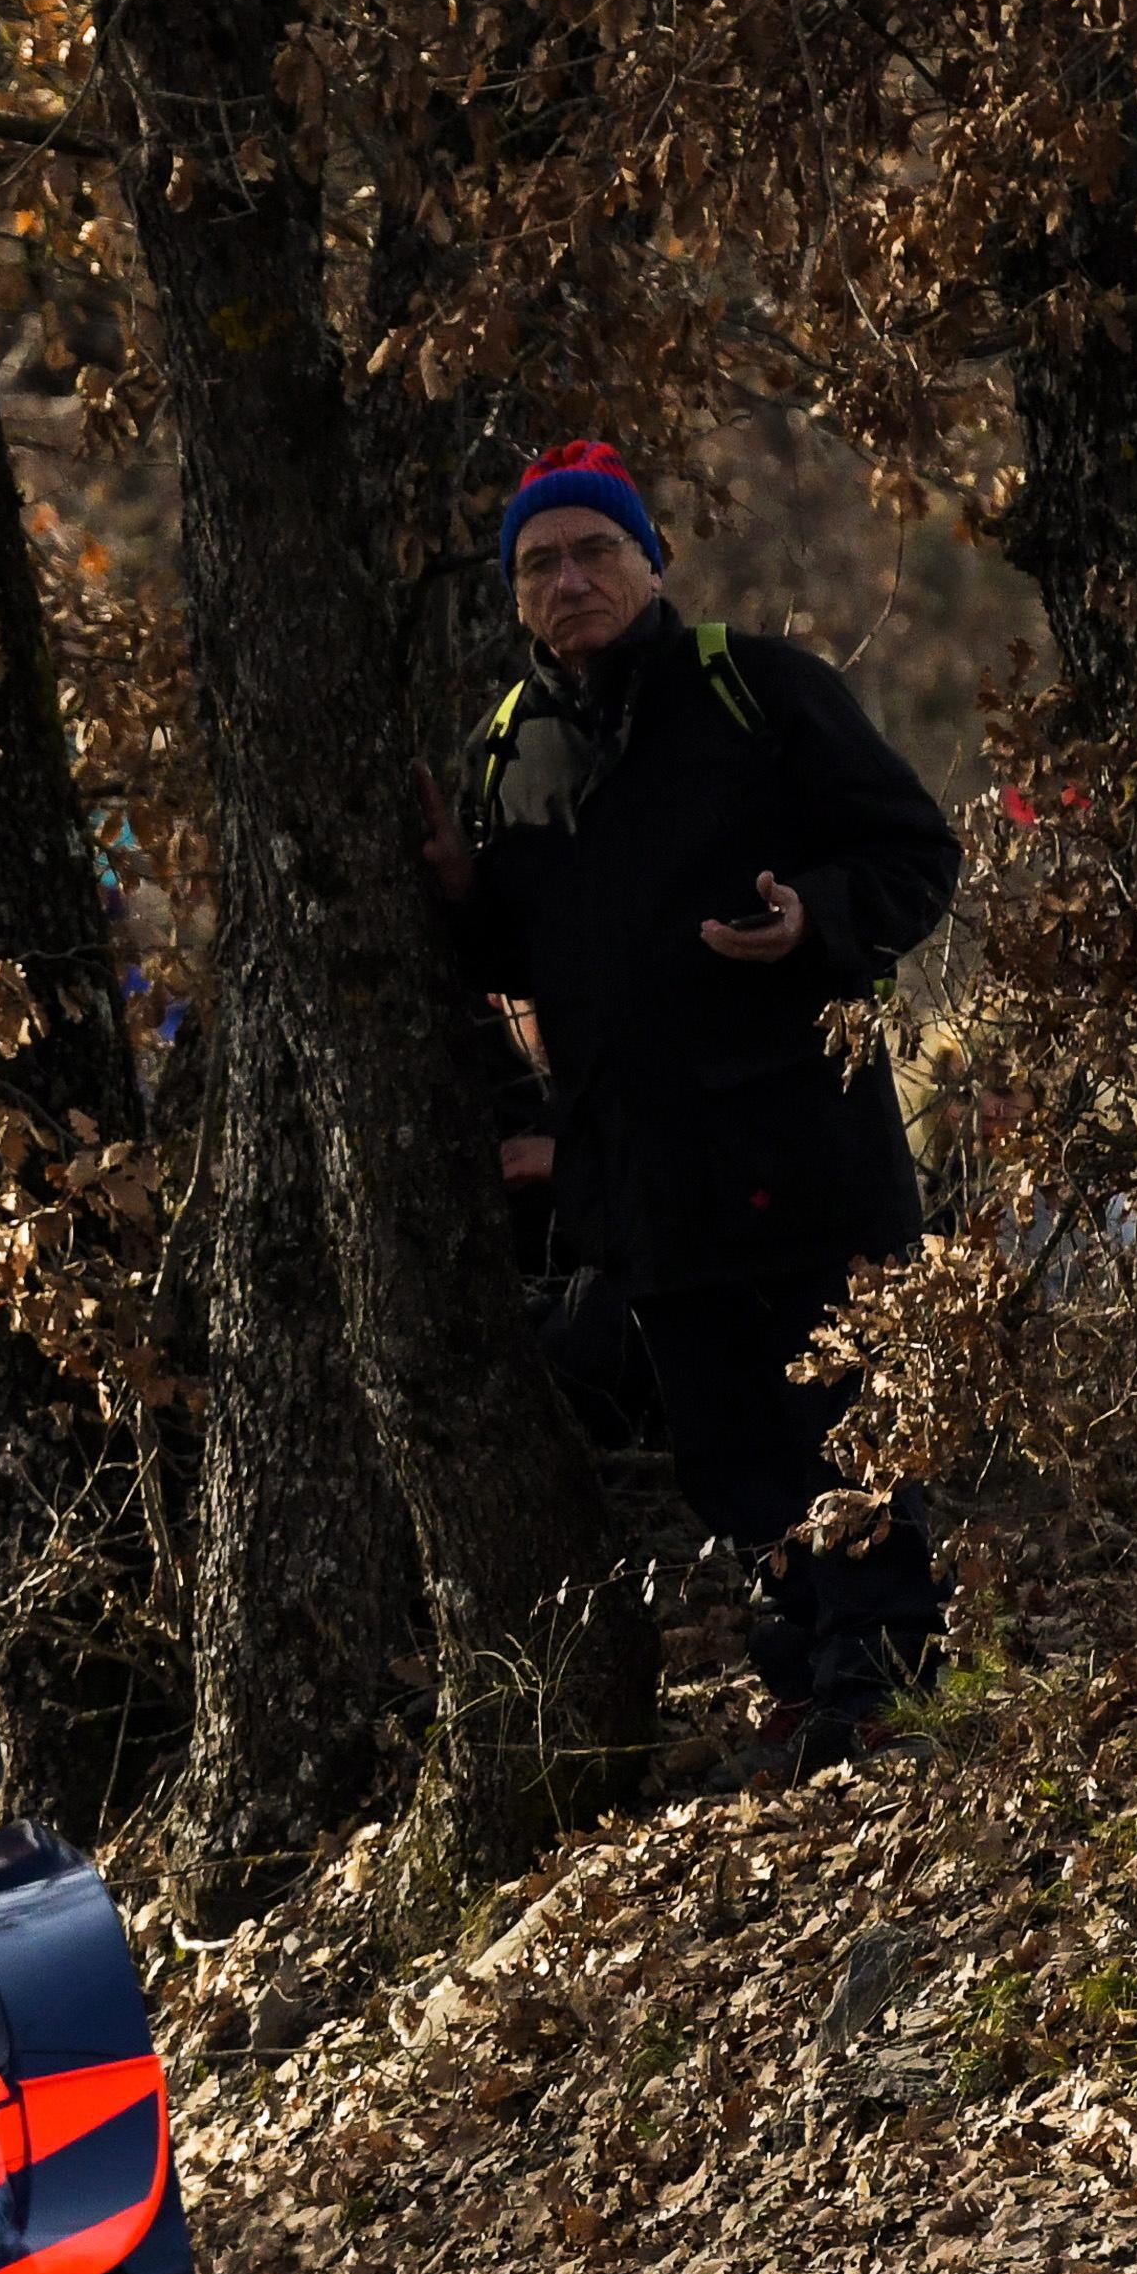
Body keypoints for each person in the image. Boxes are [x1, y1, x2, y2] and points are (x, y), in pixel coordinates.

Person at [419, 438, 965, 1769]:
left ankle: (883, 1682)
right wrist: (452, 894)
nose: (571, 580)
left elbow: (913, 851)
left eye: (596, 550)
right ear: (512, 598)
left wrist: (813, 923)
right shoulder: (510, 752)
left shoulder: (754, 690)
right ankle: (809, 1676)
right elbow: (523, 956)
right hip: (647, 1189)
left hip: (804, 1147)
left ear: (650, 561)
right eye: (540, 564)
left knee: (841, 1429)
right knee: (730, 1463)